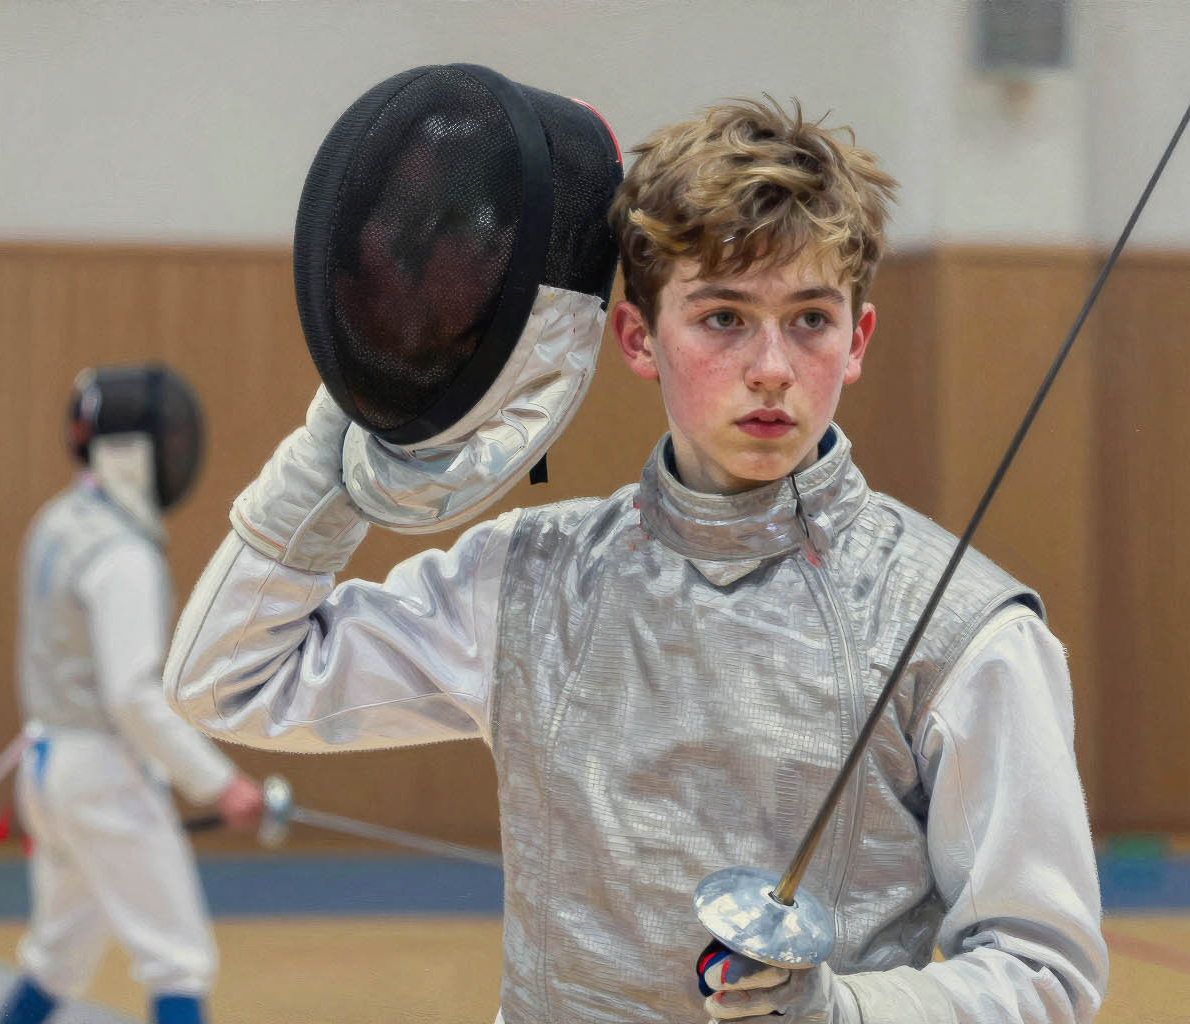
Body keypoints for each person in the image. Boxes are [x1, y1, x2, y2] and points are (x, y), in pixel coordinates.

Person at [166, 99, 1109, 1023]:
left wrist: (848, 1014)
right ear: (638, 339)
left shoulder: (958, 629)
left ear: (857, 339)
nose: (772, 367)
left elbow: (1043, 970)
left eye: (810, 320)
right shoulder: (532, 582)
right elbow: (228, 677)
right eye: (724, 318)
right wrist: (351, 423)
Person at [0, 366, 263, 1024]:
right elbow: (133, 695)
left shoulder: (58, 522)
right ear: (132, 452)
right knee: (178, 961)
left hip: (46, 767)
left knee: (57, 960)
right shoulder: (122, 556)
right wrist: (220, 784)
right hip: (102, 776)